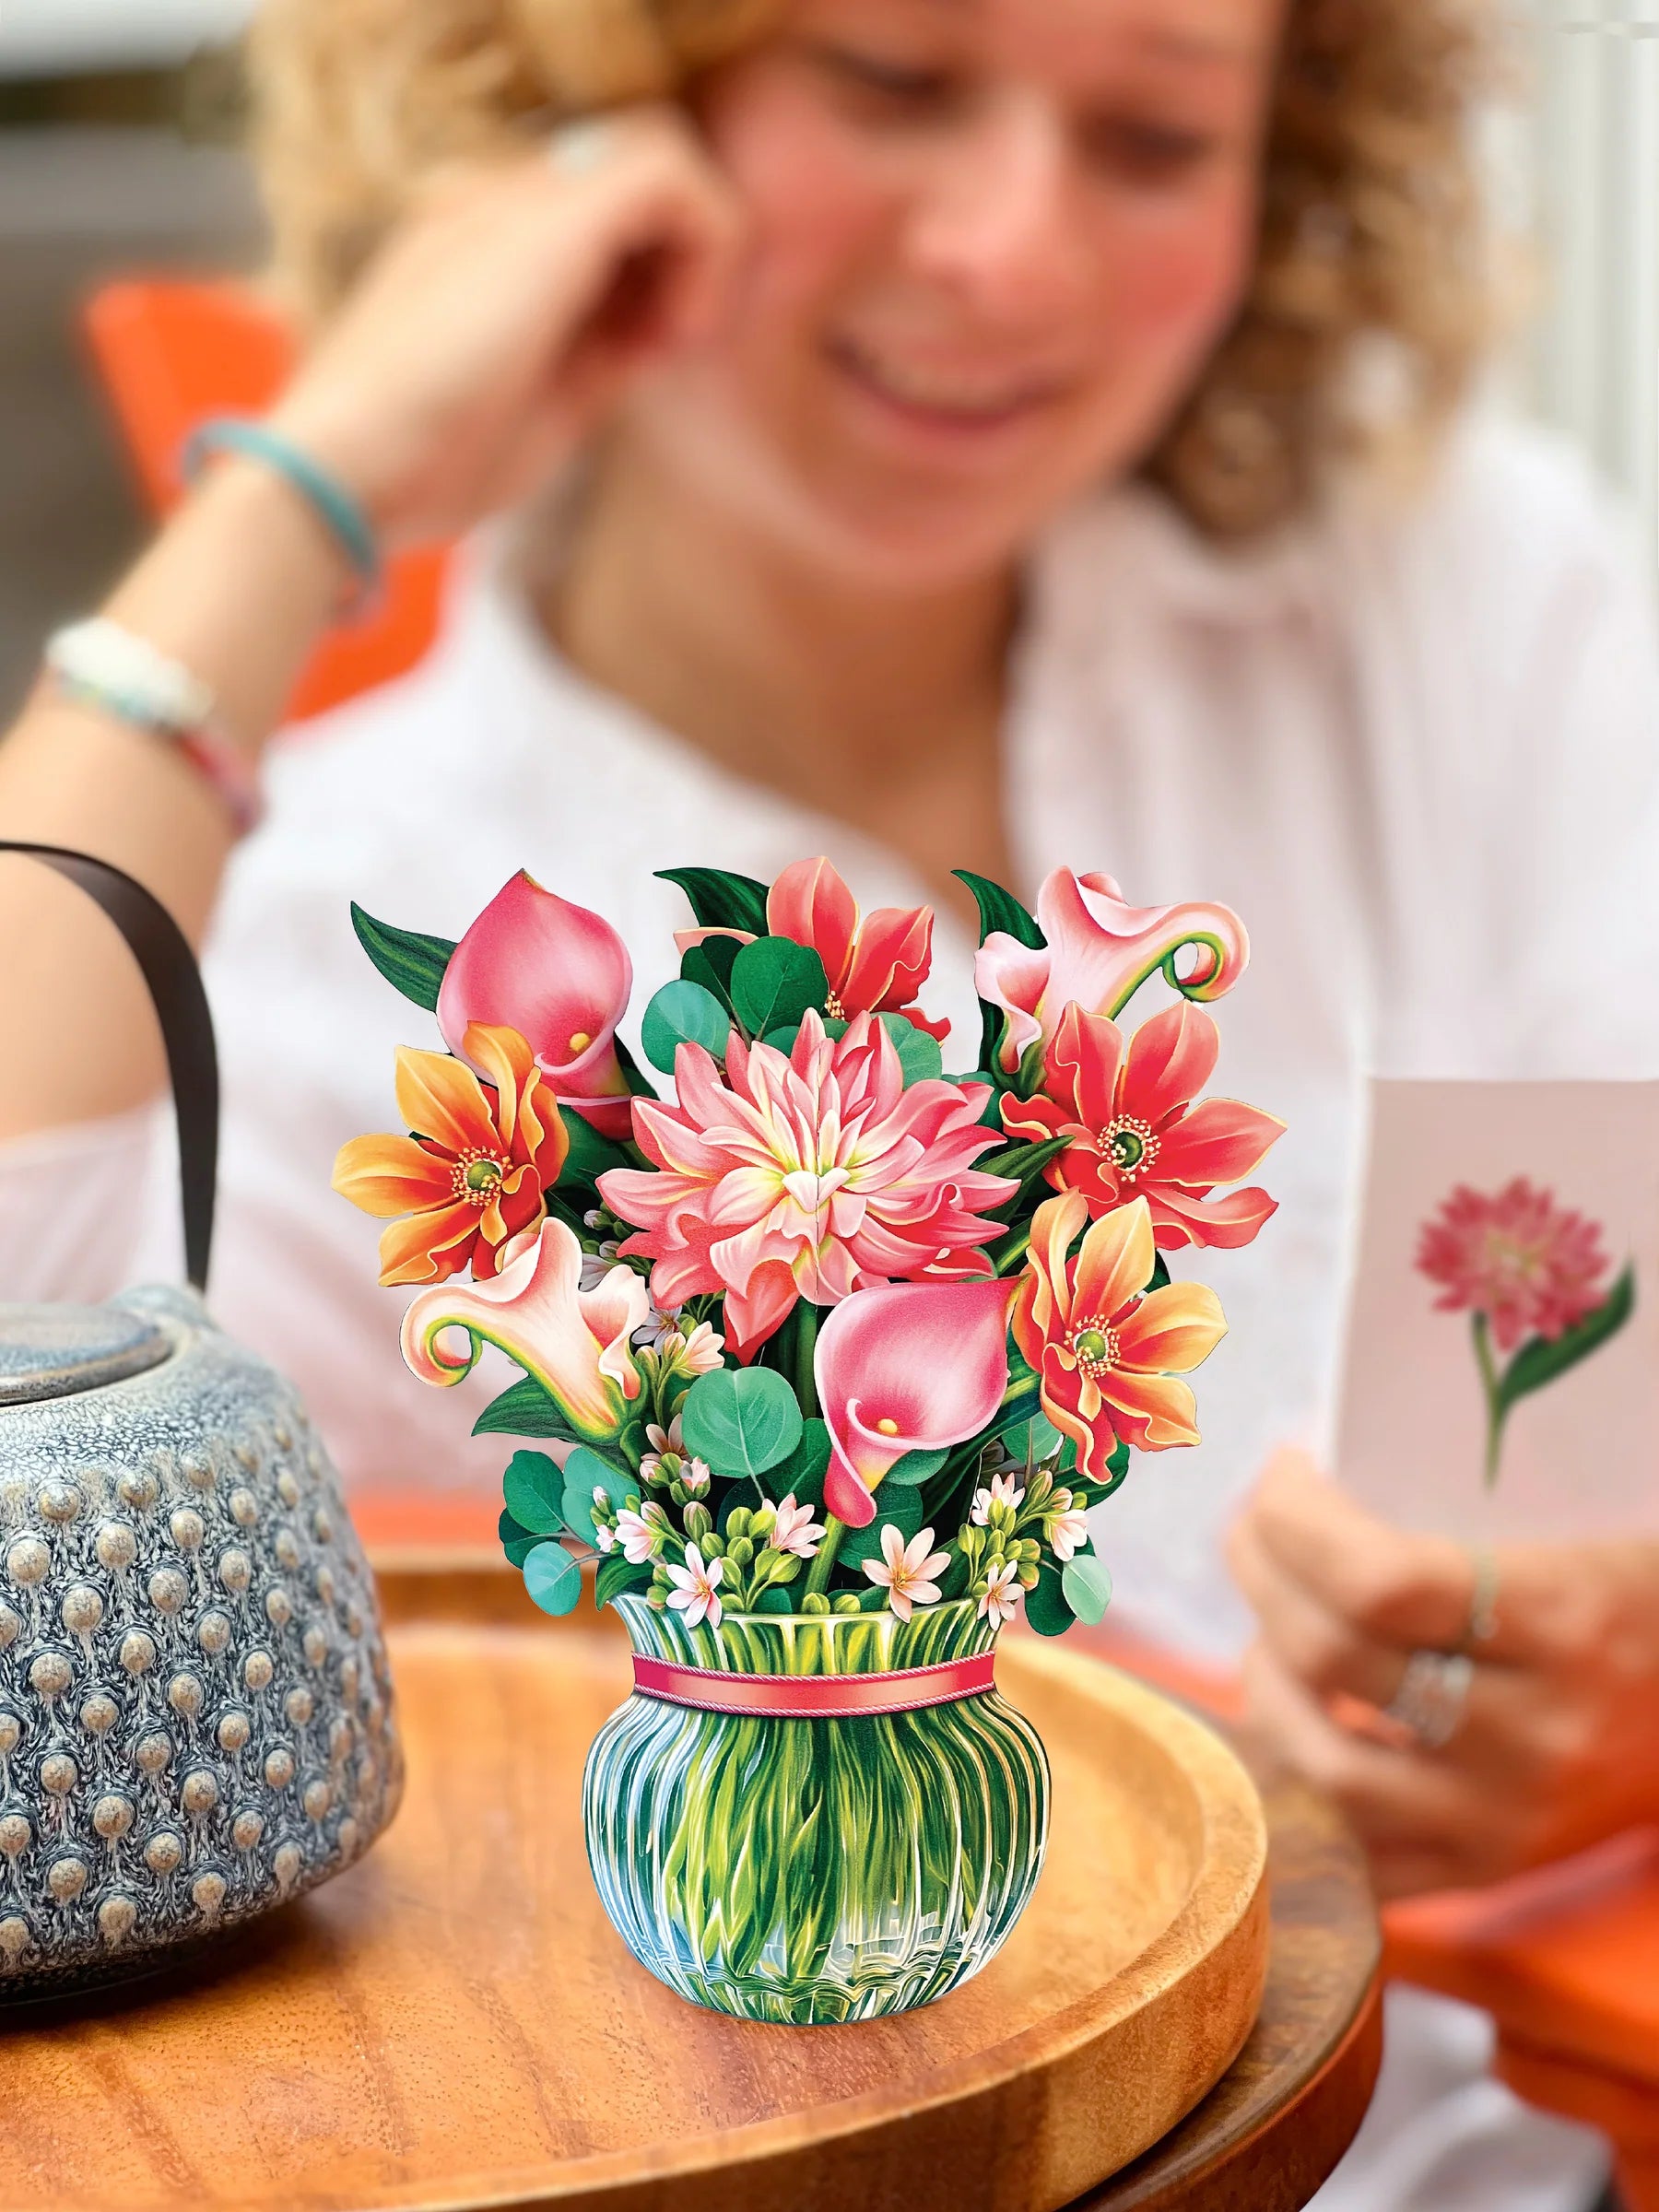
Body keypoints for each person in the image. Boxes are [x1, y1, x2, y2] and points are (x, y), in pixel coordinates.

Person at [1, 0, 1655, 2199]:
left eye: (1156, 137)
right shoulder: (353, 950)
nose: (1009, 255)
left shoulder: (1440, 608)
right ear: (586, 109)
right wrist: (316, 485)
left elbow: (1586, 1364)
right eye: (886, 81)